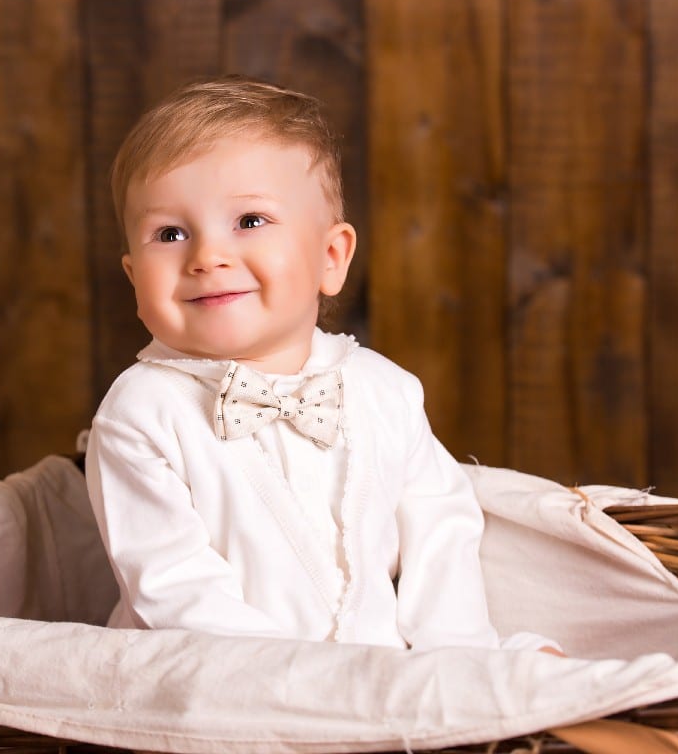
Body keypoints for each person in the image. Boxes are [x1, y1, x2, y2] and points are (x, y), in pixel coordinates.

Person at [84, 75, 559, 653]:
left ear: (330, 258)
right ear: (135, 279)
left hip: (377, 681)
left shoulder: (384, 391)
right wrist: (309, 686)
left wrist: (458, 659)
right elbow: (173, 588)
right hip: (213, 691)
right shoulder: (141, 411)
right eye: (170, 232)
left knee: (536, 666)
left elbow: (441, 533)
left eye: (250, 221)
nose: (207, 256)